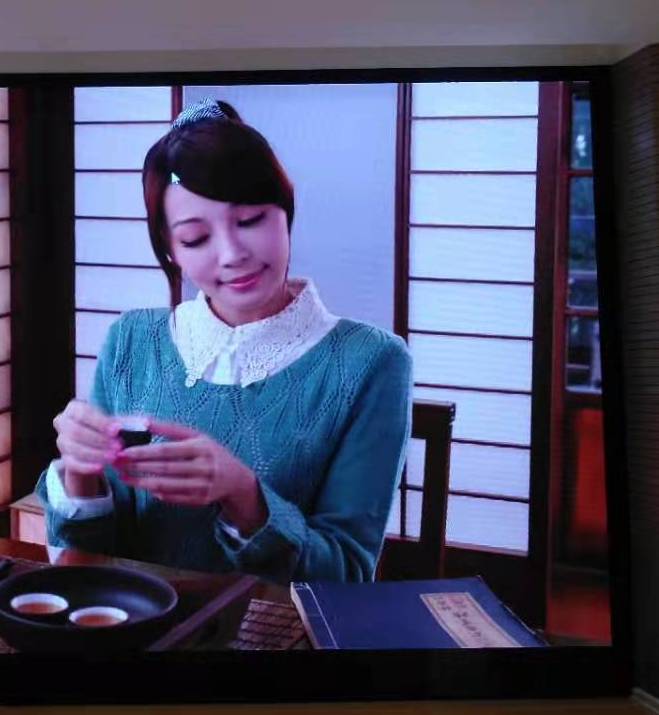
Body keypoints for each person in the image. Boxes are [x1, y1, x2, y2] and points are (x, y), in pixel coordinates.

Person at [38, 98, 413, 583]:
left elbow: (346, 575)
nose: (232, 254)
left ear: (285, 211)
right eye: (195, 239)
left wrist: (243, 494)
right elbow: (90, 562)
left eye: (251, 220)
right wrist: (80, 472)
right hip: (138, 619)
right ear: (170, 251)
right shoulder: (131, 341)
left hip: (274, 625)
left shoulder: (372, 363)